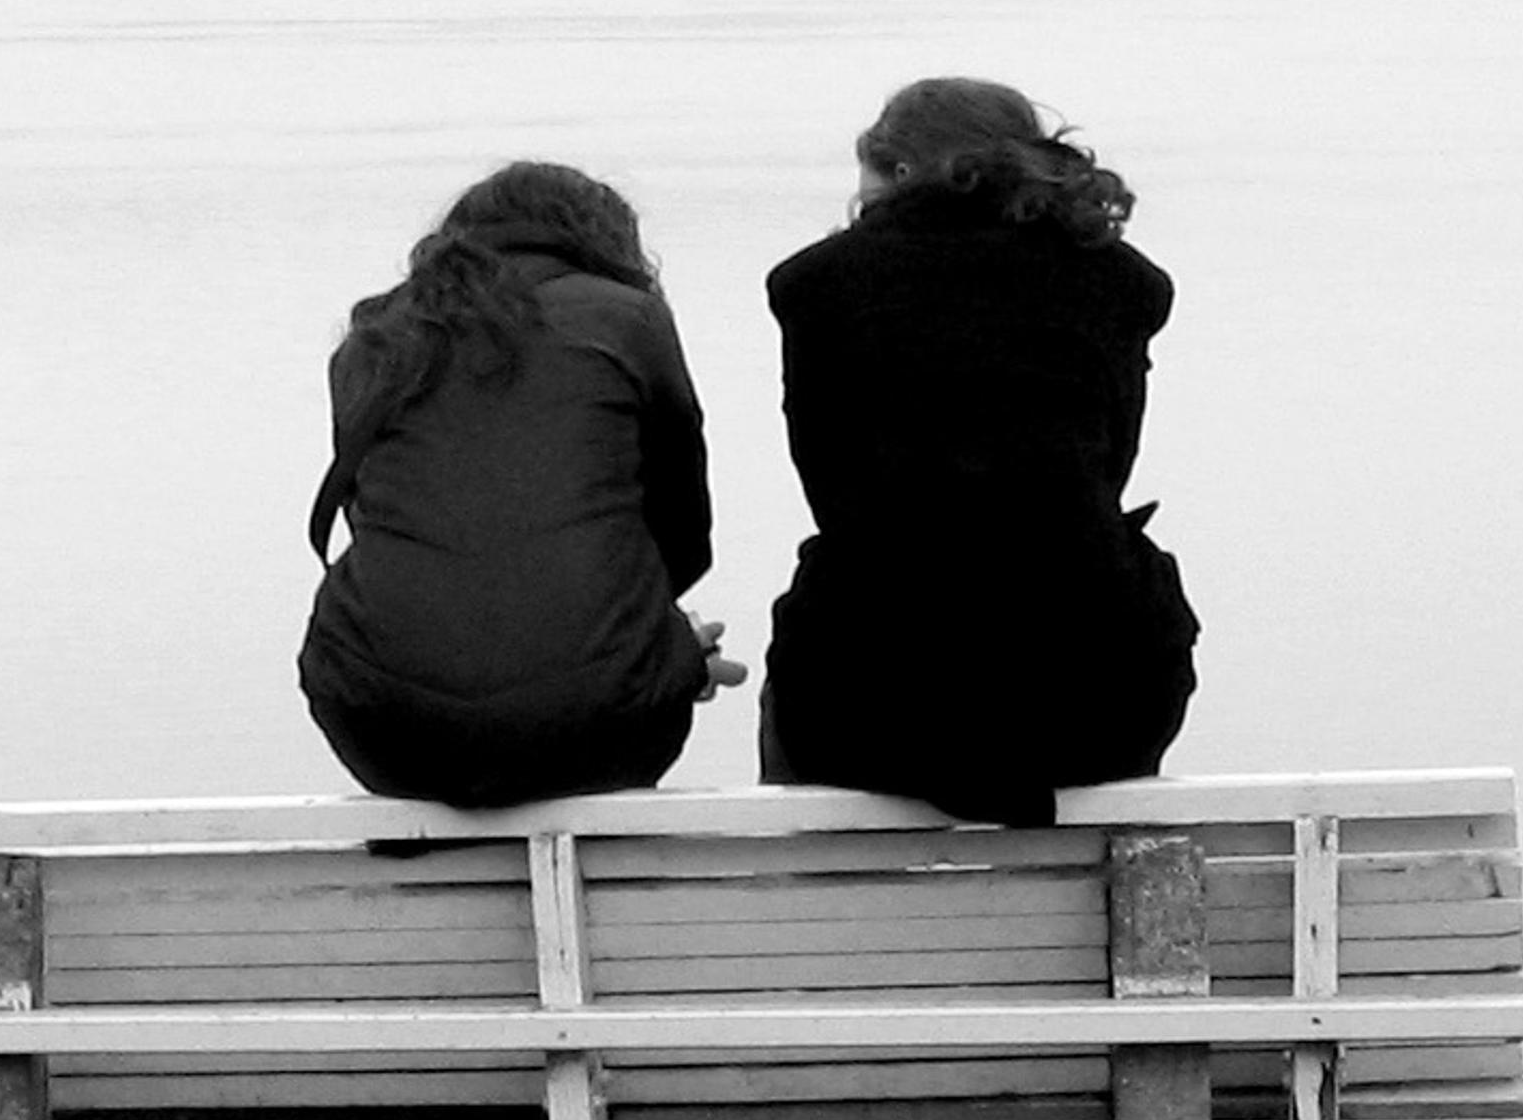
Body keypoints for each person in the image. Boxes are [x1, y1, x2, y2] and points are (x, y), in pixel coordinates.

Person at [757, 78, 1199, 825]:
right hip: (1094, 695)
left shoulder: (819, 285)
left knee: (827, 603)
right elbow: (1106, 469)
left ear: (897, 172)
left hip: (873, 700)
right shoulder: (1118, 283)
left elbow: (832, 488)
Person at [300, 161, 740, 807]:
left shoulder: (375, 342)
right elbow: (683, 538)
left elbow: (390, 534)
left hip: (382, 727)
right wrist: (651, 649)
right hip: (604, 729)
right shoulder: (628, 320)